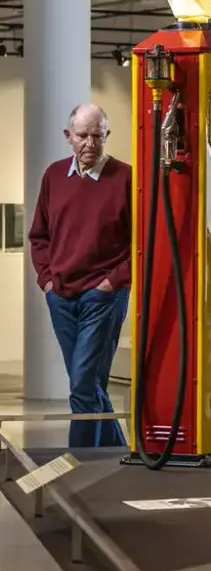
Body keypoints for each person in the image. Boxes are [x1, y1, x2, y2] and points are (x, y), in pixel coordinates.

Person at [28, 104, 130, 449]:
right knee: (89, 383)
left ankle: (80, 463)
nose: (89, 143)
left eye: (97, 136)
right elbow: (39, 235)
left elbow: (145, 241)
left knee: (83, 384)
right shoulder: (54, 175)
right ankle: (116, 452)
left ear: (107, 136)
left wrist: (113, 281)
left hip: (103, 295)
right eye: (82, 136)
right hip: (61, 295)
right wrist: (46, 281)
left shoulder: (126, 177)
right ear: (68, 137)